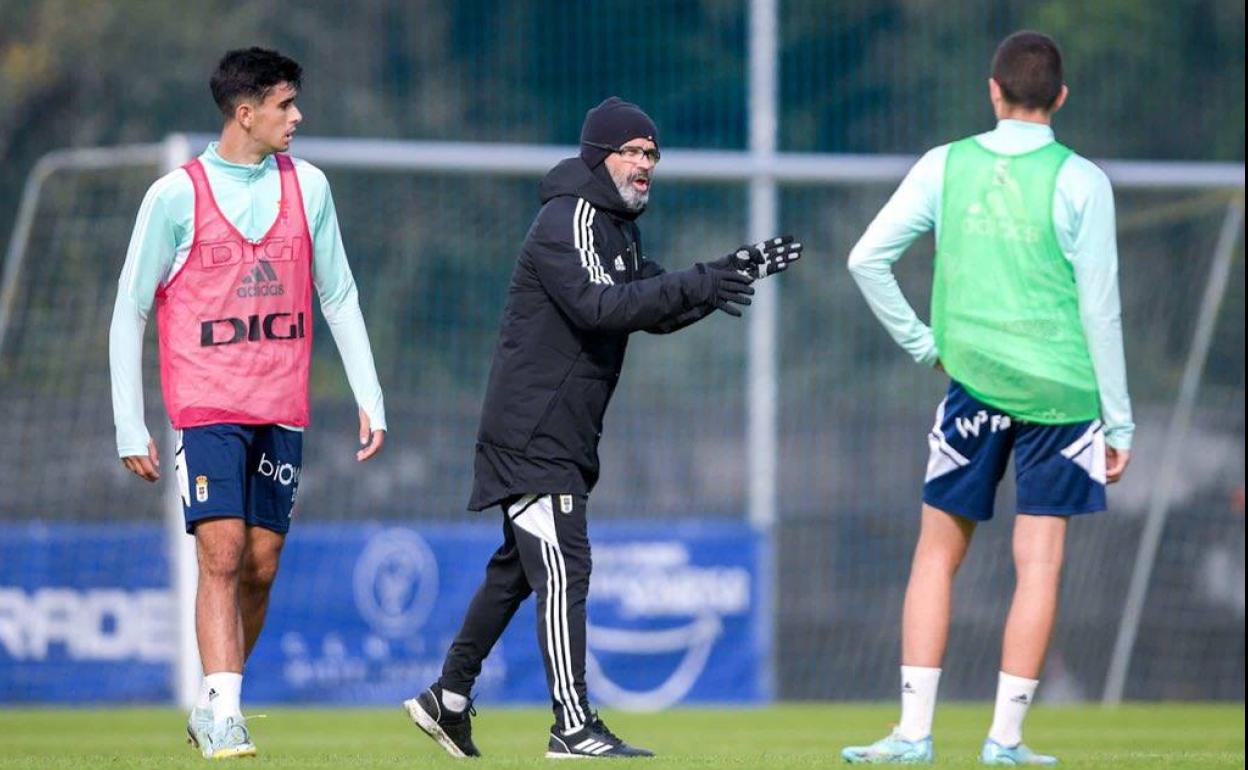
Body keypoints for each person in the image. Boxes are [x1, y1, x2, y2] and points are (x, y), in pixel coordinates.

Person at [402, 97, 802, 760]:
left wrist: (727, 273)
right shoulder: (571, 218)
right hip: (535, 435)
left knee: (519, 571)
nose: (646, 165)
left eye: (653, 155)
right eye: (634, 152)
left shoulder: (615, 228)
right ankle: (572, 724)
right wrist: (700, 280)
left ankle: (446, 699)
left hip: (564, 434)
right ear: (599, 156)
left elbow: (653, 308)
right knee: (566, 570)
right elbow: (599, 307)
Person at [840, 31, 1133, 766]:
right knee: (1039, 565)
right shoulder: (1082, 180)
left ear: (992, 90)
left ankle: (912, 736)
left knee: (937, 557)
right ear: (1060, 98)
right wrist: (1120, 419)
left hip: (971, 385)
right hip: (1063, 397)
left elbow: (865, 258)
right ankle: (1005, 741)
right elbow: (1102, 310)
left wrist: (923, 346)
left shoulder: (946, 165)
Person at [108, 47, 387, 760]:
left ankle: (214, 697)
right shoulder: (176, 196)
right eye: (286, 104)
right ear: (246, 113)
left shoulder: (309, 187)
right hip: (206, 404)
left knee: (262, 564)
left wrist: (369, 396)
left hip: (282, 404)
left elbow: (340, 294)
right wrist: (128, 420)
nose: (298, 116)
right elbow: (130, 310)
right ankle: (226, 712)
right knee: (223, 553)